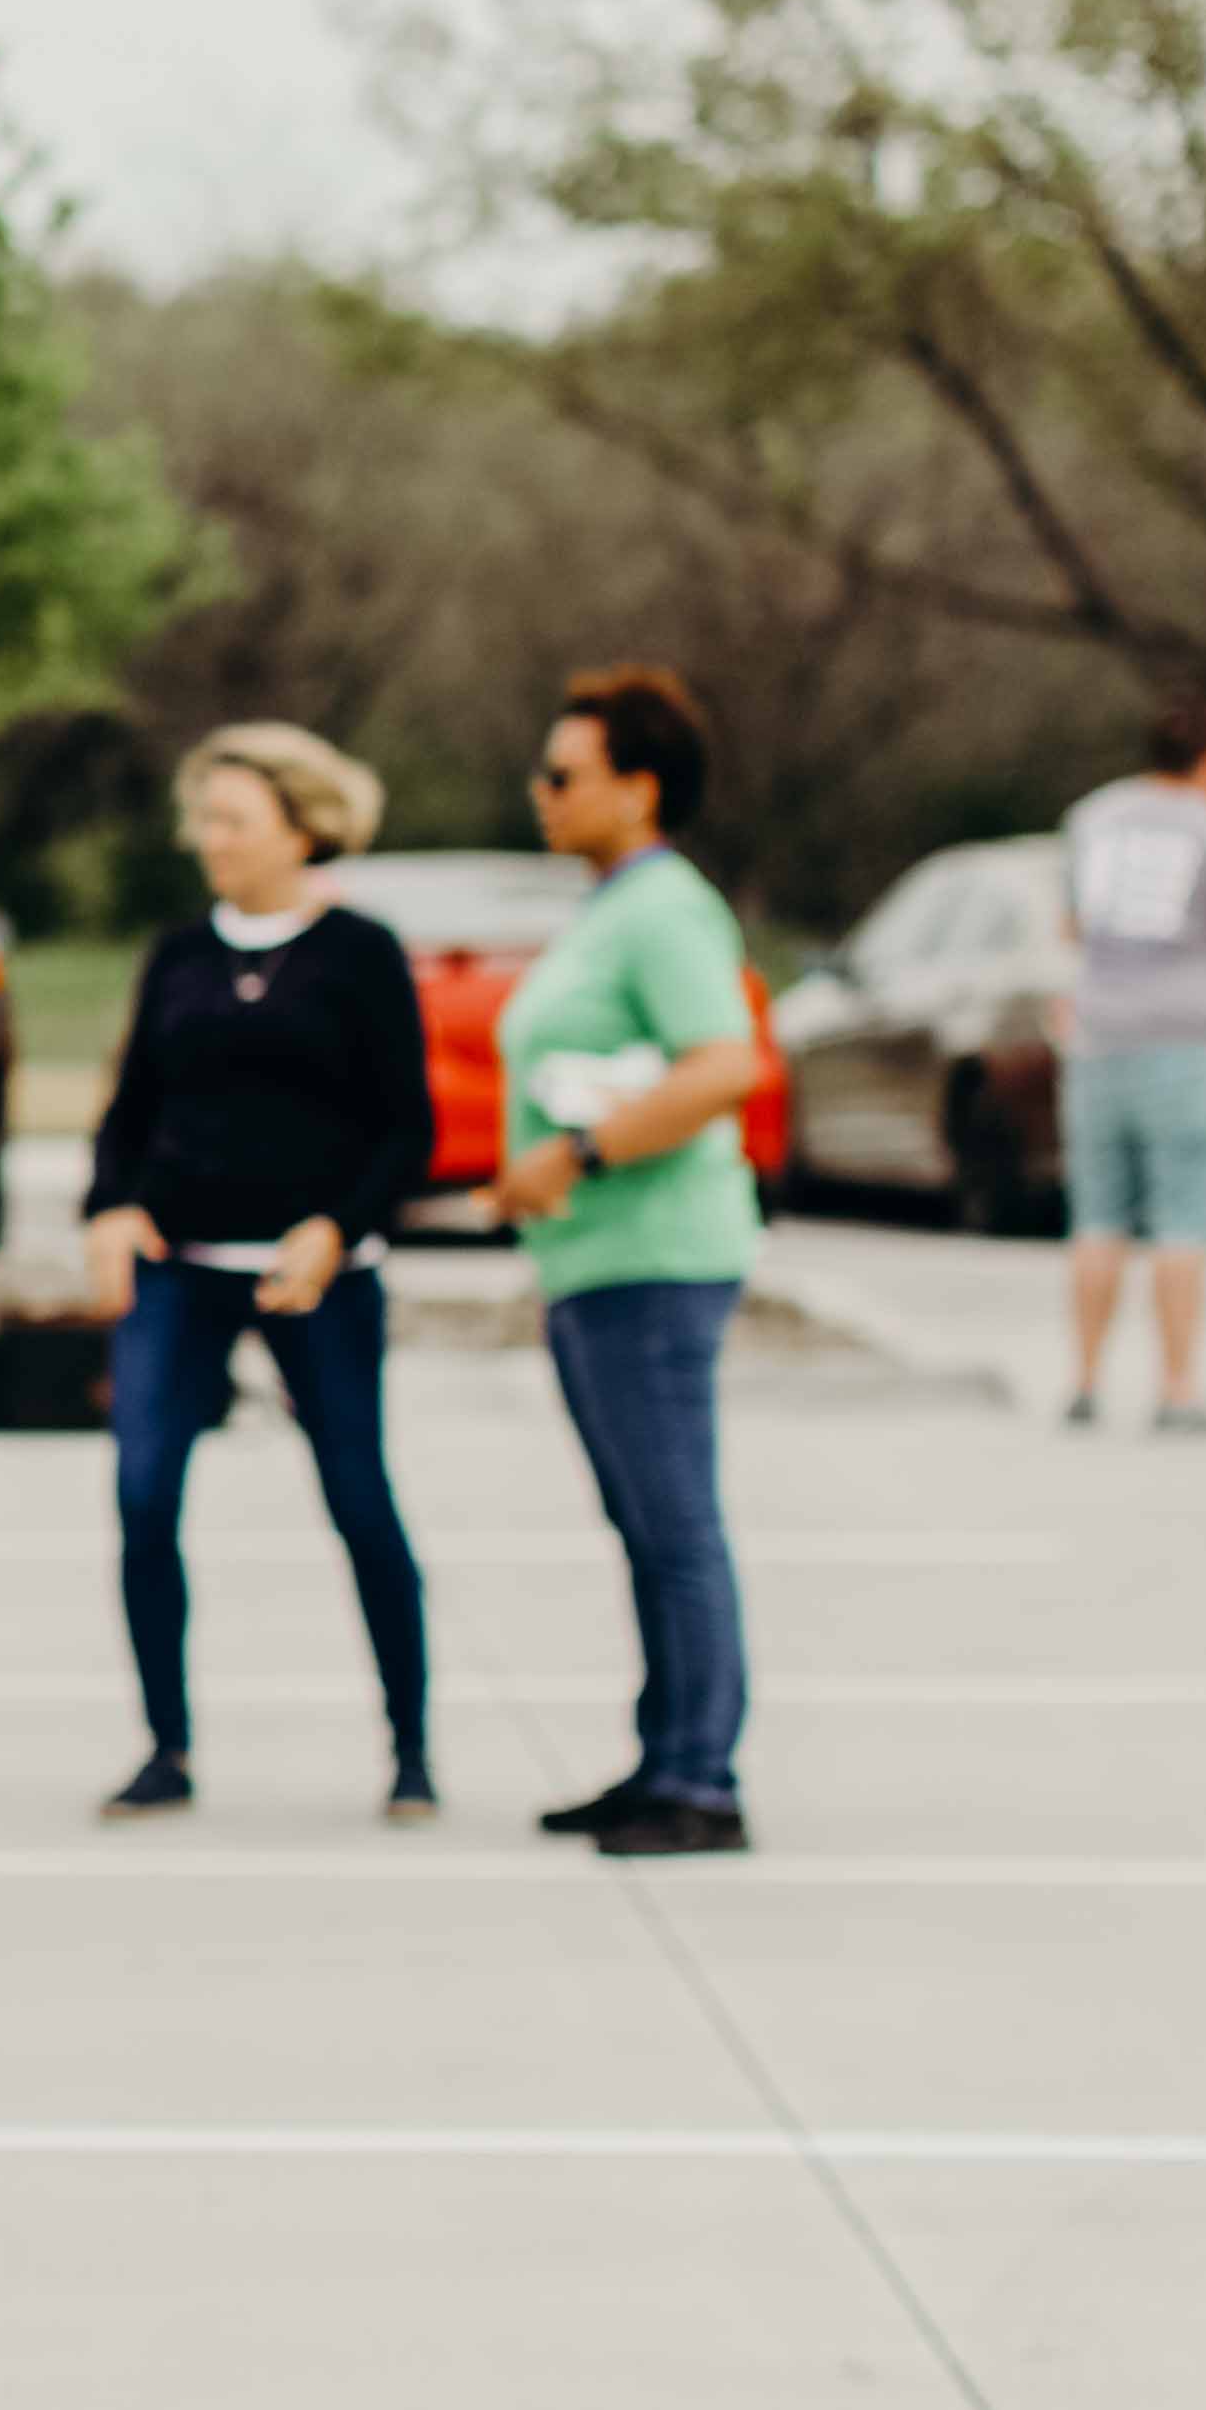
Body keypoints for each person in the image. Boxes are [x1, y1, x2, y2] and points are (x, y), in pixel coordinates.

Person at [77, 722, 435, 1824]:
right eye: (205, 820)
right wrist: (110, 1206)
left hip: (315, 1275)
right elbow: (131, 1108)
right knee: (142, 1494)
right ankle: (166, 1747)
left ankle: (411, 1748)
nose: (209, 840)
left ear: (300, 827)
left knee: (360, 1498)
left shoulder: (361, 952)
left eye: (232, 819)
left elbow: (407, 1126)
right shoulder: (180, 953)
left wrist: (338, 1226)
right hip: (182, 1268)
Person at [495, 664, 767, 1856]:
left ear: (639, 788)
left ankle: (702, 1778)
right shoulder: (612, 904)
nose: (541, 791)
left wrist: (580, 1153)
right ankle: (660, 1757)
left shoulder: (665, 909)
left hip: (654, 1258)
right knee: (642, 1523)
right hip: (595, 1261)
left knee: (674, 1521)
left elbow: (727, 1064)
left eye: (565, 773)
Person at [1056, 692, 1206, 1430]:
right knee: (1182, 1219)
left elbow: (1069, 925)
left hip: (1096, 1037)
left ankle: (1084, 1382)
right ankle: (1176, 1389)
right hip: (1184, 1040)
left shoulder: (1092, 816)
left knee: (1097, 1218)